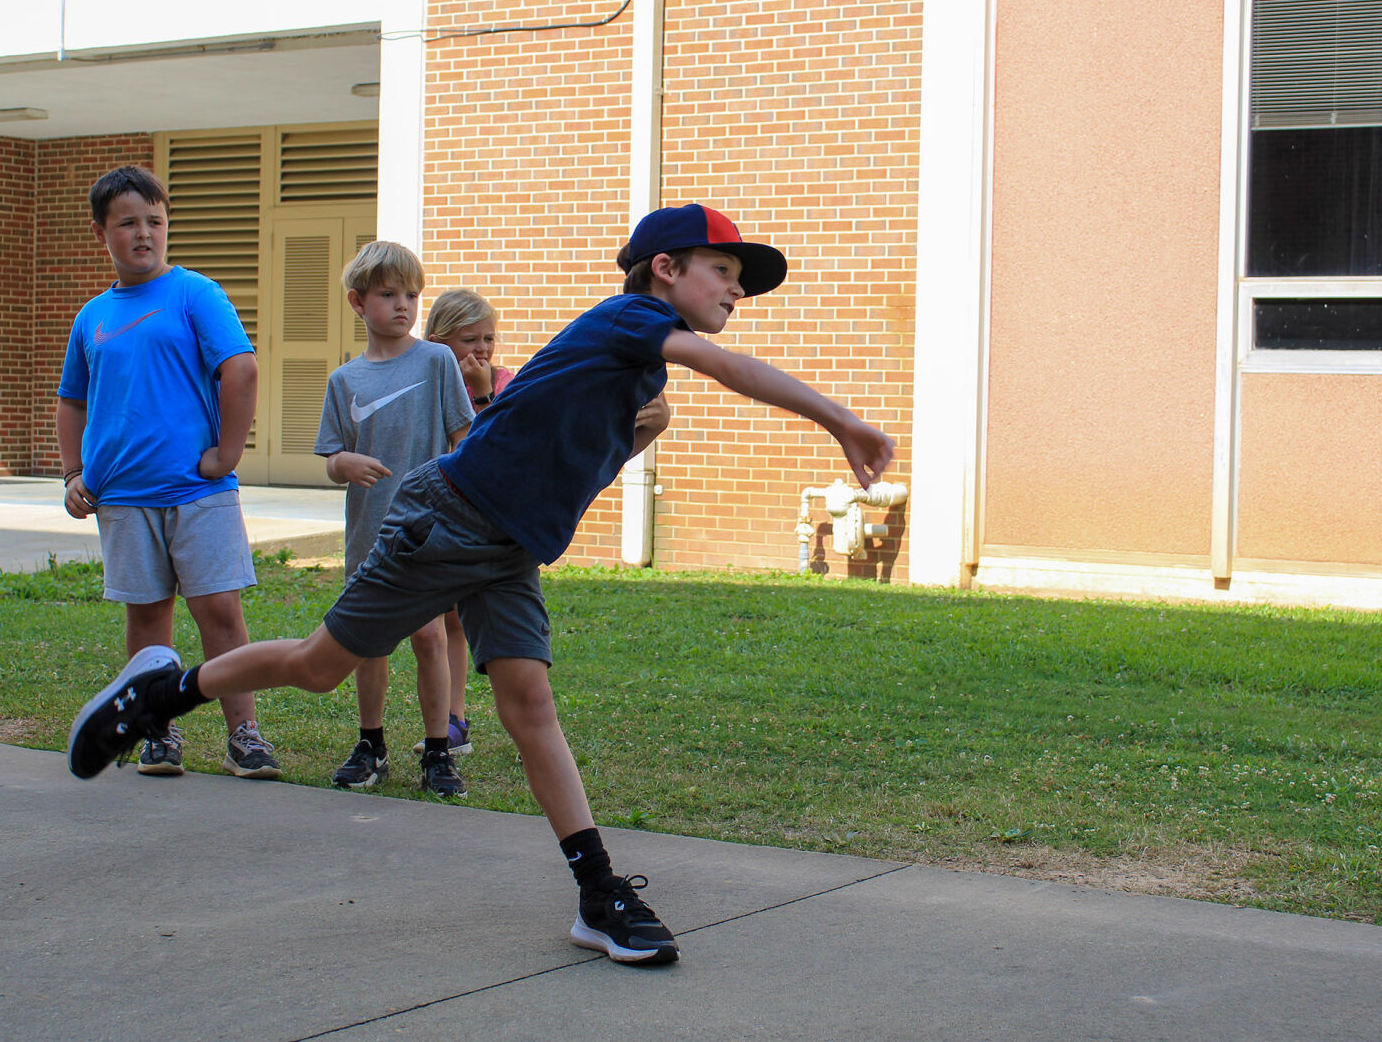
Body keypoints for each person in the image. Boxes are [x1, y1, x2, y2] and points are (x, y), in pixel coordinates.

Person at [67, 203, 896, 966]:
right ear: (665, 270)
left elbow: (565, 448)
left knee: (528, 701)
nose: (735, 291)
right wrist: (840, 418)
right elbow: (723, 363)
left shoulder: (634, 376)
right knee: (321, 667)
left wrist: (632, 433)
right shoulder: (631, 320)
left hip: (506, 548)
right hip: (452, 519)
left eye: (740, 283)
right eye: (724, 272)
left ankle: (597, 893)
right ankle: (164, 692)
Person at [56, 164, 281, 781]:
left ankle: (246, 737)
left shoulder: (194, 294)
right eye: (128, 223)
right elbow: (72, 399)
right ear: (101, 231)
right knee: (148, 621)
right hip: (122, 498)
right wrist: (73, 472)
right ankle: (155, 731)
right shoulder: (92, 317)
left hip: (197, 493)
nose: (144, 233)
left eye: (155, 221)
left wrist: (227, 455)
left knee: (222, 615)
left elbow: (241, 370)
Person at [316, 244, 475, 797]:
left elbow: (464, 438)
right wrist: (345, 463)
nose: (403, 305)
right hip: (369, 535)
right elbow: (332, 458)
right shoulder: (345, 380)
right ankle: (371, 744)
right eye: (389, 294)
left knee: (430, 637)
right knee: (370, 645)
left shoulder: (436, 362)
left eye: (411, 294)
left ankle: (437, 750)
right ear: (359, 303)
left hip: (427, 535)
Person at [419, 287, 513, 758]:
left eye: (488, 339)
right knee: (426, 625)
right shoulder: (424, 378)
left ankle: (456, 719)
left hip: (479, 519)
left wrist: (481, 393)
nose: (481, 350)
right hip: (428, 515)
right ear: (437, 341)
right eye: (468, 340)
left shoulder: (505, 382)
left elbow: (490, 450)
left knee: (457, 619)